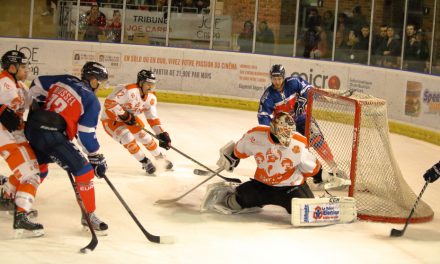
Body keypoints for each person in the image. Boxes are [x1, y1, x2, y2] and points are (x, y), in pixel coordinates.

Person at [200, 112, 350, 214]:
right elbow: (239, 151)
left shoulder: (298, 144)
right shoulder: (255, 136)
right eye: (284, 133)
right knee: (235, 202)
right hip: (262, 185)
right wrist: (232, 157)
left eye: (289, 132)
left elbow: (312, 169)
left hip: (290, 188)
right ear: (274, 129)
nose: (288, 137)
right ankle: (239, 193)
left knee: (306, 210)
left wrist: (321, 176)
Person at [25, 61, 109, 233]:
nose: (101, 86)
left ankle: (14, 198)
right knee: (84, 171)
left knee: (38, 170)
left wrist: (39, 105)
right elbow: (85, 133)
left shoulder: (66, 79)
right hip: (50, 135)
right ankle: (89, 216)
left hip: (32, 128)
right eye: (100, 82)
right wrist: (95, 156)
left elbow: (37, 83)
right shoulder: (91, 100)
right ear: (93, 81)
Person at [258, 64, 340, 173]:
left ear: (283, 77)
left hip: (303, 118)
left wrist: (303, 99)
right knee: (296, 149)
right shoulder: (268, 95)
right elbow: (263, 116)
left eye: (279, 78)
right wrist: (271, 132)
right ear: (271, 78)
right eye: (274, 79)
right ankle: (303, 173)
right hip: (287, 127)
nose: (277, 82)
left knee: (317, 139)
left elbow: (310, 89)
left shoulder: (293, 82)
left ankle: (334, 168)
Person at [0, 50, 43, 237]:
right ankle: (21, 217)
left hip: (15, 134)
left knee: (30, 169)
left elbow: (34, 103)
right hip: (4, 136)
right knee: (32, 174)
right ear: (12, 67)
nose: (27, 70)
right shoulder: (2, 81)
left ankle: (7, 197)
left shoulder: (19, 85)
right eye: (23, 67)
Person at [101, 69, 173, 175]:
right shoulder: (128, 91)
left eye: (152, 84)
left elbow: (153, 118)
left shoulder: (151, 98)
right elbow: (109, 102)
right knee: (128, 139)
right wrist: (124, 115)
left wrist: (161, 134)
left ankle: (160, 157)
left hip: (130, 119)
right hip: (111, 120)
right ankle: (145, 162)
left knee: (145, 138)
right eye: (148, 84)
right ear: (140, 82)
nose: (150, 87)